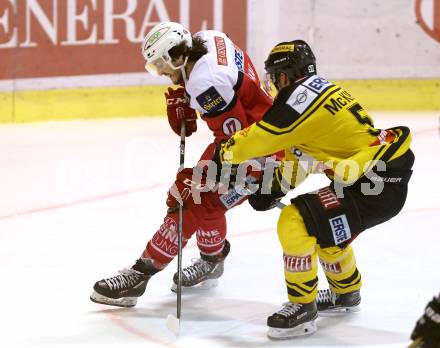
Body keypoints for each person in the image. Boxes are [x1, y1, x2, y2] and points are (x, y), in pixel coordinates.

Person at [213, 40, 414, 339]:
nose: (272, 85)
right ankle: (346, 292)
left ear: (284, 76)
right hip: (380, 179)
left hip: (375, 184)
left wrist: (223, 154)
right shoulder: (319, 92)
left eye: (274, 77)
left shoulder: (299, 97)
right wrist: (273, 189)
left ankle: (302, 308)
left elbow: (258, 138)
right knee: (325, 226)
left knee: (295, 222)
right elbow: (301, 159)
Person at [90, 22, 273, 307]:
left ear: (177, 56)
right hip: (266, 134)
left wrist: (198, 180)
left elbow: (235, 143)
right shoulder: (207, 39)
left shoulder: (206, 82)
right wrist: (189, 95)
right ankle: (213, 260)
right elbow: (229, 83)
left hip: (263, 151)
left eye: (161, 65)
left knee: (190, 200)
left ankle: (140, 275)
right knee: (209, 204)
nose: (162, 73)